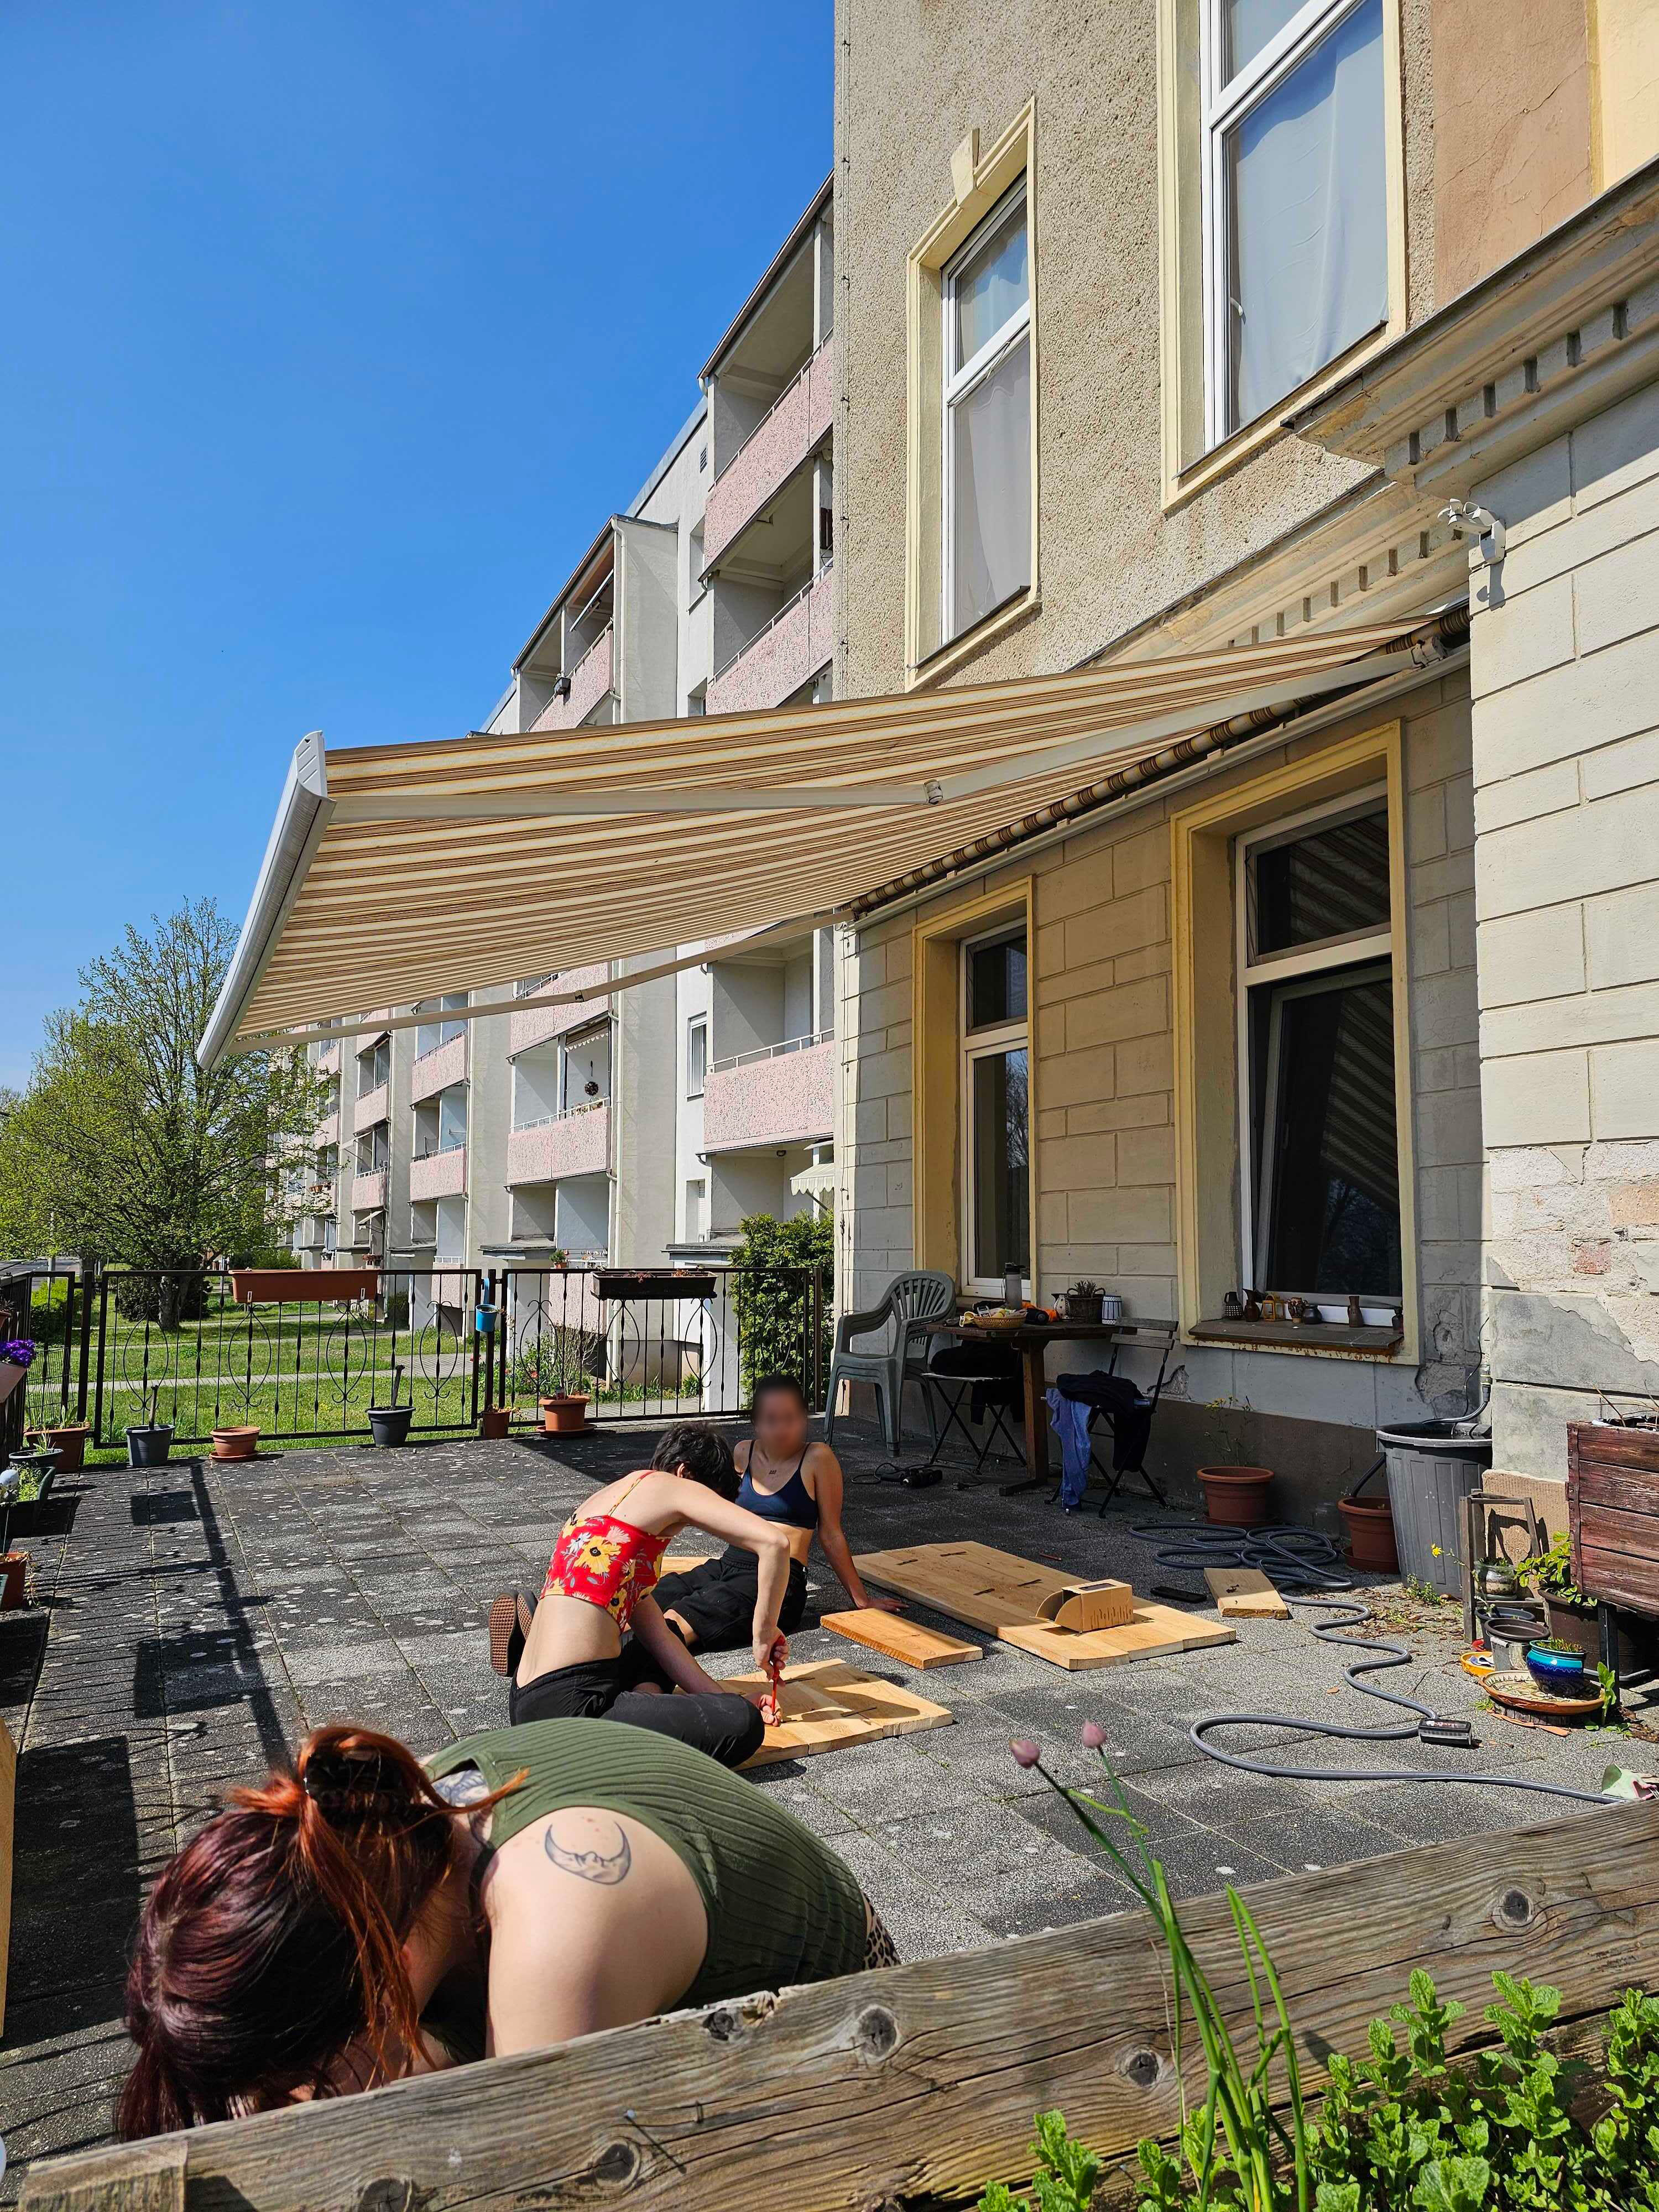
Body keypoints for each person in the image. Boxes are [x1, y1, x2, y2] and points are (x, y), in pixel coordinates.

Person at [118, 1718, 899, 2134]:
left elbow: (538, 2172)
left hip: (849, 2035)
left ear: (376, 1963)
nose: (292, 2094)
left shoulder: (559, 1927)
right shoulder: (379, 1830)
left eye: (300, 2066)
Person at [487, 1421, 790, 1770]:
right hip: (575, 1712)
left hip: (528, 1700)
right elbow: (775, 1543)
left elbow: (660, 1638)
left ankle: (640, 1700)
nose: (686, 1527)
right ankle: (621, 1729)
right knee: (742, 1724)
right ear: (685, 1473)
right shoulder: (672, 1486)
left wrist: (727, 1696)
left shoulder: (608, 1512)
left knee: (663, 1635)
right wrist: (764, 1632)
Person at [652, 1375, 903, 1657]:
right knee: (659, 1594)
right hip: (731, 1562)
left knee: (687, 1614)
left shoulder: (818, 1458)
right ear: (756, 1423)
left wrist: (862, 1600)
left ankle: (642, 1661)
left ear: (805, 1418)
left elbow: (831, 1533)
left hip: (783, 1578)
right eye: (771, 1420)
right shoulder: (743, 1452)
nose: (782, 1429)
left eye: (791, 1418)